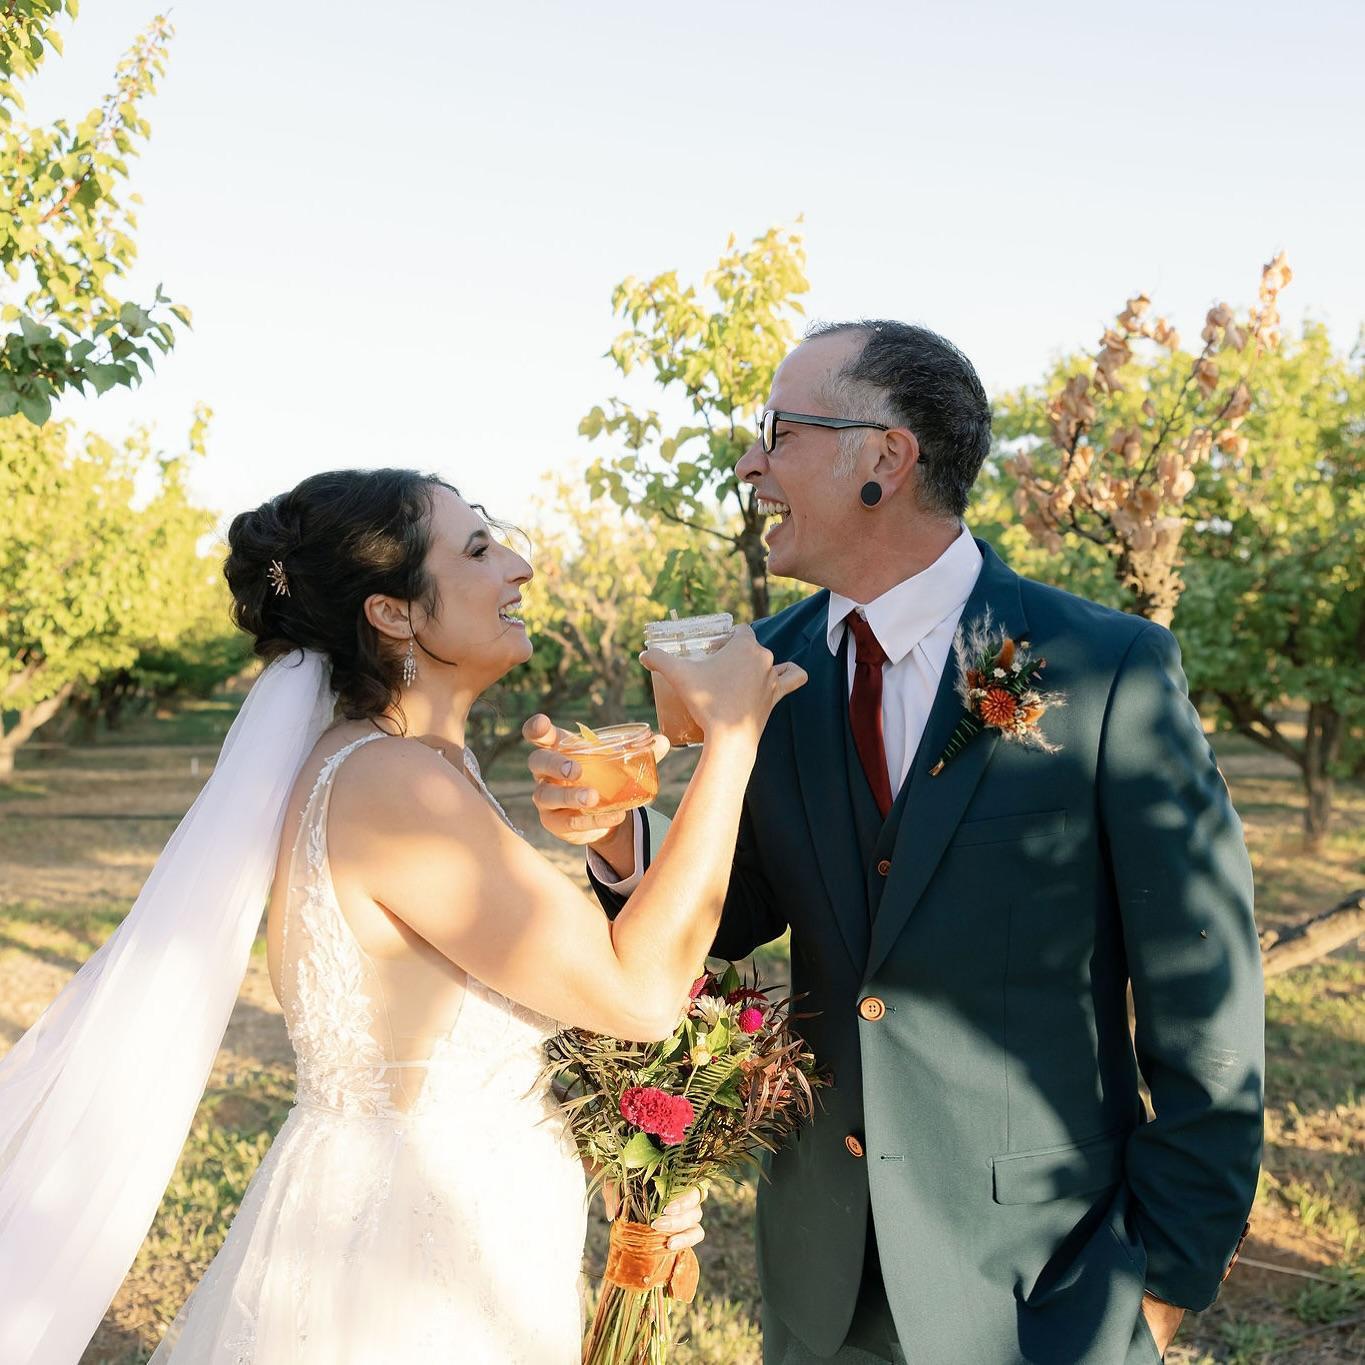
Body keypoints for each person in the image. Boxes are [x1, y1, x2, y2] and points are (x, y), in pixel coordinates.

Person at [528, 322, 1264, 1364]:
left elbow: (1205, 991)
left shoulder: (1106, 668)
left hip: (1045, 1284)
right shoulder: (763, 668)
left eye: (778, 433)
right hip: (823, 1283)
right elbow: (737, 910)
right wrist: (617, 838)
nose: (748, 466)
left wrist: (1164, 1281)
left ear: (885, 456)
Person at [0, 468, 806, 1364]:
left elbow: (463, 1042)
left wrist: (620, 1158)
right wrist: (732, 735)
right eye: (477, 549)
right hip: (413, 1269)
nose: (519, 566)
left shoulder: (413, 767)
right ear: (392, 613)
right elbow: (641, 994)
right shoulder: (394, 785)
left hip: (461, 1223)